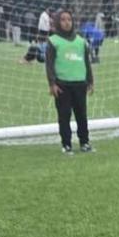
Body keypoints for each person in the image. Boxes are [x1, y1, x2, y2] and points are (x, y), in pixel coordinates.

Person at [45, 9, 94, 155]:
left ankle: (84, 142)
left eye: (69, 20)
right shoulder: (53, 41)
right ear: (57, 22)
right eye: (63, 20)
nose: (67, 22)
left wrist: (90, 80)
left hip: (80, 84)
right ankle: (66, 144)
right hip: (62, 85)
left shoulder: (80, 41)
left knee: (81, 115)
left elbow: (86, 62)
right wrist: (52, 83)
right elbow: (49, 64)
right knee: (64, 116)